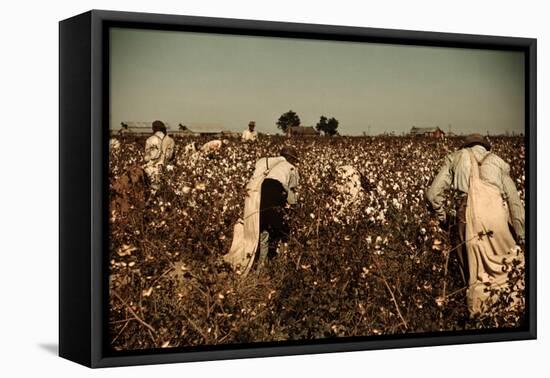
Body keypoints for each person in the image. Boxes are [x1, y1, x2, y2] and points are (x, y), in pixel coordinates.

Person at [426, 134, 525, 316]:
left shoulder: (455, 157)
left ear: (466, 146)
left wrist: (443, 218)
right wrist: (521, 234)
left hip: (466, 215)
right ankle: (509, 314)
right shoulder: (498, 162)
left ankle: (478, 318)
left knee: (473, 272)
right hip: (497, 215)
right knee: (507, 265)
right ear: (486, 147)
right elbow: (514, 202)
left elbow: (432, 195)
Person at [224, 146, 300, 275]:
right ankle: (280, 265)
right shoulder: (290, 168)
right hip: (275, 193)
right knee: (281, 231)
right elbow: (291, 193)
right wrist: (296, 208)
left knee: (263, 230)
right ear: (291, 158)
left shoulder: (270, 164)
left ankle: (259, 267)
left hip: (258, 196)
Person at [143, 120, 172, 191]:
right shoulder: (170, 140)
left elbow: (146, 158)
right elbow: (170, 156)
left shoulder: (150, 140)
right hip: (166, 170)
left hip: (152, 170)